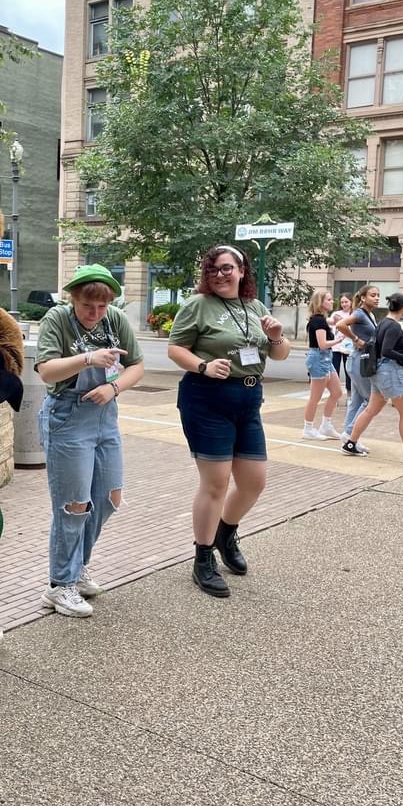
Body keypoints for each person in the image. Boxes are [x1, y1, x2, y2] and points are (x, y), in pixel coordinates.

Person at [168, 245, 290, 598]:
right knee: (216, 483)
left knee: (254, 481)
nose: (220, 275)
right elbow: (176, 348)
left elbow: (279, 354)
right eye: (213, 270)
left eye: (226, 269)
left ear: (241, 271)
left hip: (249, 399)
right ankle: (202, 558)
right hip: (206, 398)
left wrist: (277, 334)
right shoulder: (197, 305)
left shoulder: (255, 308)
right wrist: (203, 366)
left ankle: (225, 532)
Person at [35, 264, 144, 617]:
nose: (95, 314)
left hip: (105, 416)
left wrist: (112, 387)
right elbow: (47, 370)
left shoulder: (114, 319)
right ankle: (60, 584)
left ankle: (77, 566)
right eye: (87, 306)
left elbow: (137, 366)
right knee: (73, 504)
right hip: (67, 416)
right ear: (73, 299)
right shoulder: (57, 319)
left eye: (101, 307)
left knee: (109, 497)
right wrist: (87, 359)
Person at [343, 292, 403, 462]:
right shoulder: (393, 326)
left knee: (371, 409)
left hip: (379, 372)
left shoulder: (383, 323)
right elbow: (387, 350)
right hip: (392, 372)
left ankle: (351, 442)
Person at [334, 283, 380, 452]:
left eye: (377, 295)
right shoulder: (360, 313)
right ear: (362, 298)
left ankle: (349, 435)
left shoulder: (369, 315)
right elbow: (340, 325)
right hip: (359, 360)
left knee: (358, 400)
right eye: (372, 295)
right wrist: (356, 339)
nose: (376, 298)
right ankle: (349, 434)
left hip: (360, 361)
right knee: (369, 400)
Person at [302, 290, 343, 440]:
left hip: (325, 358)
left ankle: (326, 425)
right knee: (315, 397)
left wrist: (336, 320)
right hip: (319, 358)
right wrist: (339, 340)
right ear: (321, 302)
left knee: (337, 392)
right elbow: (323, 344)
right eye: (329, 299)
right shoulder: (318, 320)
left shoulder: (321, 319)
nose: (332, 302)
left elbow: (331, 322)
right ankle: (308, 428)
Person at [330, 293, 353, 399]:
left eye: (346, 302)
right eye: (342, 302)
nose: (344, 304)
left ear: (351, 302)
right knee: (334, 371)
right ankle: (335, 395)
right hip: (335, 346)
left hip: (348, 347)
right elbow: (330, 326)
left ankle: (349, 395)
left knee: (348, 370)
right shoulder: (336, 314)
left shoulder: (354, 314)